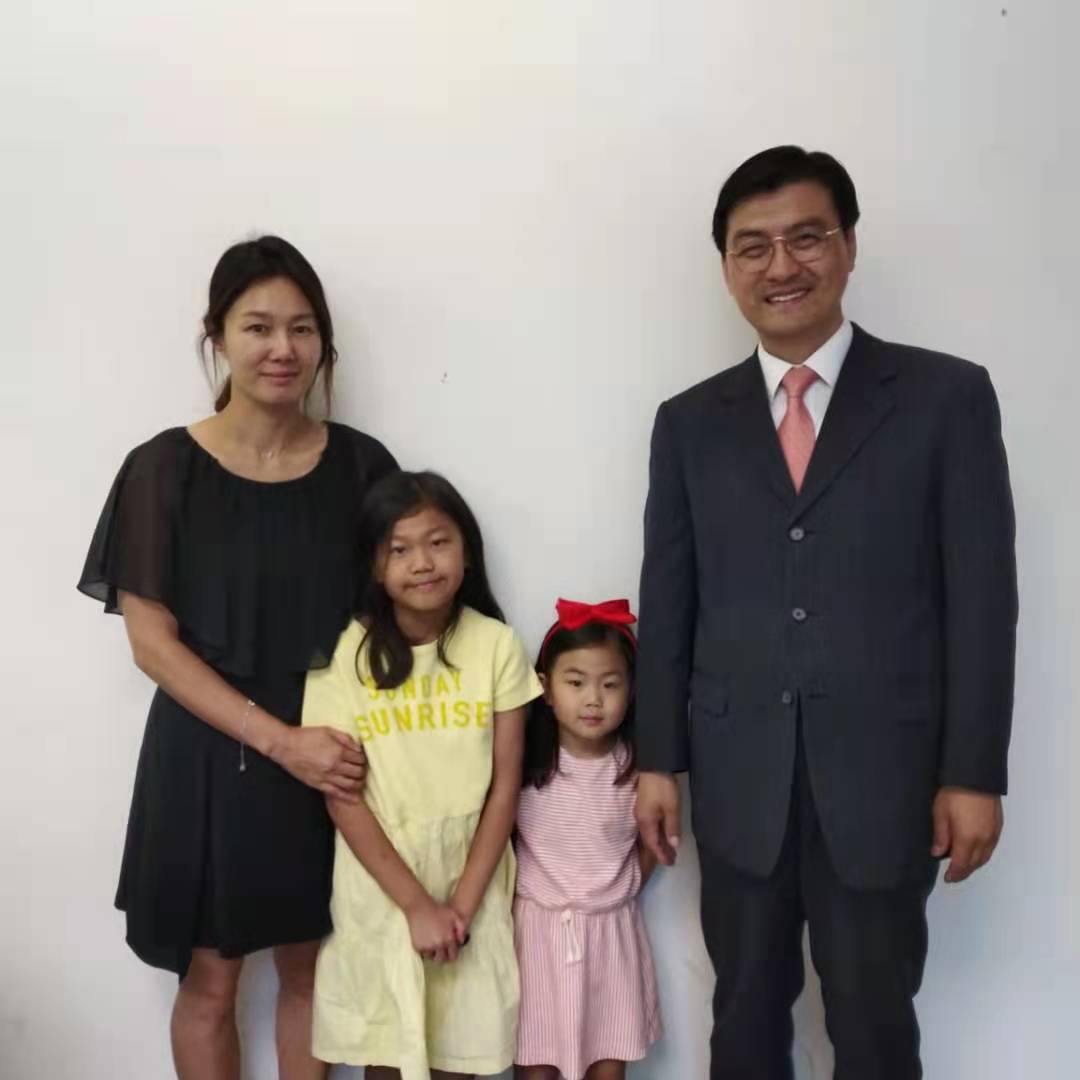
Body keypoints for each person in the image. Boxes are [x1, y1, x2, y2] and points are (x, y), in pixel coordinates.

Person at [633, 146, 1018, 1080]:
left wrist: (973, 772)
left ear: (847, 247)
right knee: (742, 1023)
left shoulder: (945, 398)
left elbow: (982, 599)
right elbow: (670, 599)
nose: (781, 265)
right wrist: (656, 760)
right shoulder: (689, 422)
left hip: (886, 778)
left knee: (875, 1027)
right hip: (738, 780)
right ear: (727, 266)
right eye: (752, 246)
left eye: (806, 238)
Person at [77, 235, 398, 1080]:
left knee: (315, 972)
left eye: (302, 328)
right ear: (216, 335)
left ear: (323, 342)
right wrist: (280, 742)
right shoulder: (163, 469)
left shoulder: (363, 467)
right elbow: (152, 644)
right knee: (210, 981)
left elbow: (402, 613)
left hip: (335, 750)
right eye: (258, 327)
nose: (282, 349)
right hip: (208, 753)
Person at [301, 470, 541, 1080]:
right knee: (390, 1051)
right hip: (382, 887)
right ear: (374, 566)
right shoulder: (346, 654)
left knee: (464, 1050)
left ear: (467, 551)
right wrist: (415, 906)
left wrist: (462, 904)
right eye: (399, 549)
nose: (422, 563)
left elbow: (505, 786)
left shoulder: (496, 645)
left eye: (438, 542)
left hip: (473, 881)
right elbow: (342, 796)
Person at [514, 598, 662, 1080]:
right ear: (546, 688)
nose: (593, 699)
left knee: (607, 1061)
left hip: (611, 935)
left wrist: (624, 887)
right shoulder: (526, 763)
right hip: (536, 936)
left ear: (632, 691)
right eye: (575, 683)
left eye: (610, 684)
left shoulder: (637, 768)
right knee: (536, 1062)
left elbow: (653, 841)